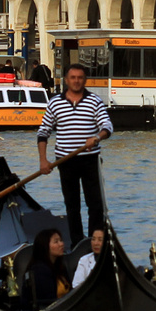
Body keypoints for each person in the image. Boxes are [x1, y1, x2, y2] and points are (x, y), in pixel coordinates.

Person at [37, 62, 113, 246]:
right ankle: (78, 243)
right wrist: (43, 161)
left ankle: (96, 241)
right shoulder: (55, 103)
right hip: (65, 161)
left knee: (95, 205)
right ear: (66, 80)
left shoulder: (94, 101)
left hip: (89, 160)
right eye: (73, 77)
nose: (76, 81)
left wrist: (96, 137)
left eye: (80, 78)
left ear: (84, 80)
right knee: (72, 206)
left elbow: (107, 126)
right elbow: (43, 132)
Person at [25, 228, 70, 307]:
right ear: (45, 246)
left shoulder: (60, 267)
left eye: (61, 240)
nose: (61, 244)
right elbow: (47, 302)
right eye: (56, 242)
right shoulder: (39, 270)